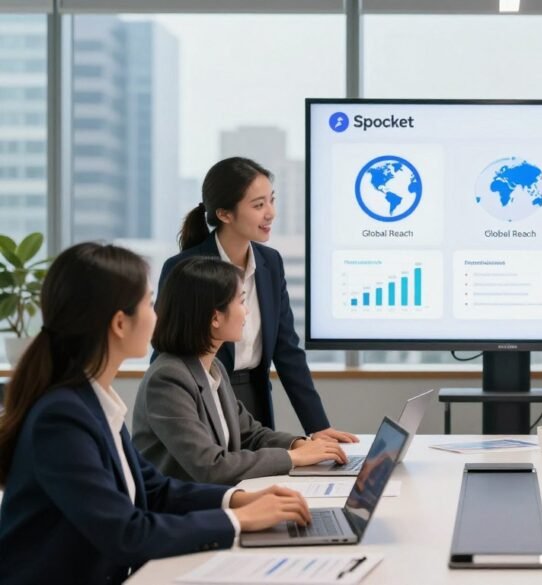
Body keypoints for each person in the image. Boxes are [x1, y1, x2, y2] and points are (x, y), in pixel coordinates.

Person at [0, 243, 314, 585]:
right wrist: (240, 520)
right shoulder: (61, 419)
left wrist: (239, 499)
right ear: (120, 323)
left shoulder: (92, 400)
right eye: (149, 303)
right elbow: (128, 533)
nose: (157, 314)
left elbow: (156, 489)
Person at [159, 157, 355, 445]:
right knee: (218, 479)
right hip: (201, 397)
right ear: (225, 214)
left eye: (271, 201)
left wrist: (318, 427)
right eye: (258, 205)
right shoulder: (186, 268)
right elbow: (168, 347)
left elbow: (287, 350)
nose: (271, 213)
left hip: (255, 397)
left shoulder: (270, 263)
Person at [134, 257, 348, 485]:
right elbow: (212, 467)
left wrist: (299, 444)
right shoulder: (168, 379)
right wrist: (293, 457)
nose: (246, 312)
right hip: (183, 513)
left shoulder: (213, 369)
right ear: (215, 317)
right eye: (241, 302)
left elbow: (250, 434)